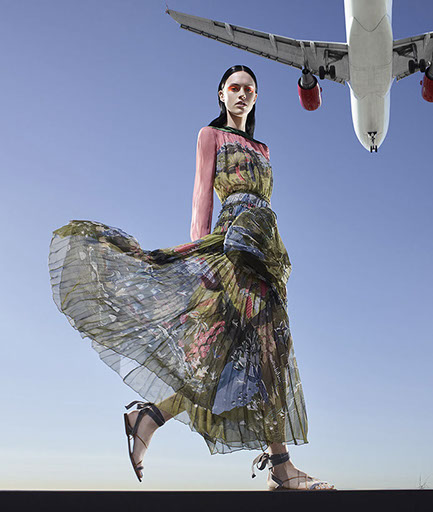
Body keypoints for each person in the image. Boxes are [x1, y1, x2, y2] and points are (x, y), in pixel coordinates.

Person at [48, 64, 335, 491]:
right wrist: (202, 265)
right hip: (231, 246)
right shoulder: (210, 135)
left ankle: (150, 417)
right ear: (221, 94)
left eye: (249, 89)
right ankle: (281, 467)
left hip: (264, 247)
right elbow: (202, 198)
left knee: (231, 354)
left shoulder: (264, 148)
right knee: (266, 347)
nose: (242, 94)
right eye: (234, 87)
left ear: (256, 98)